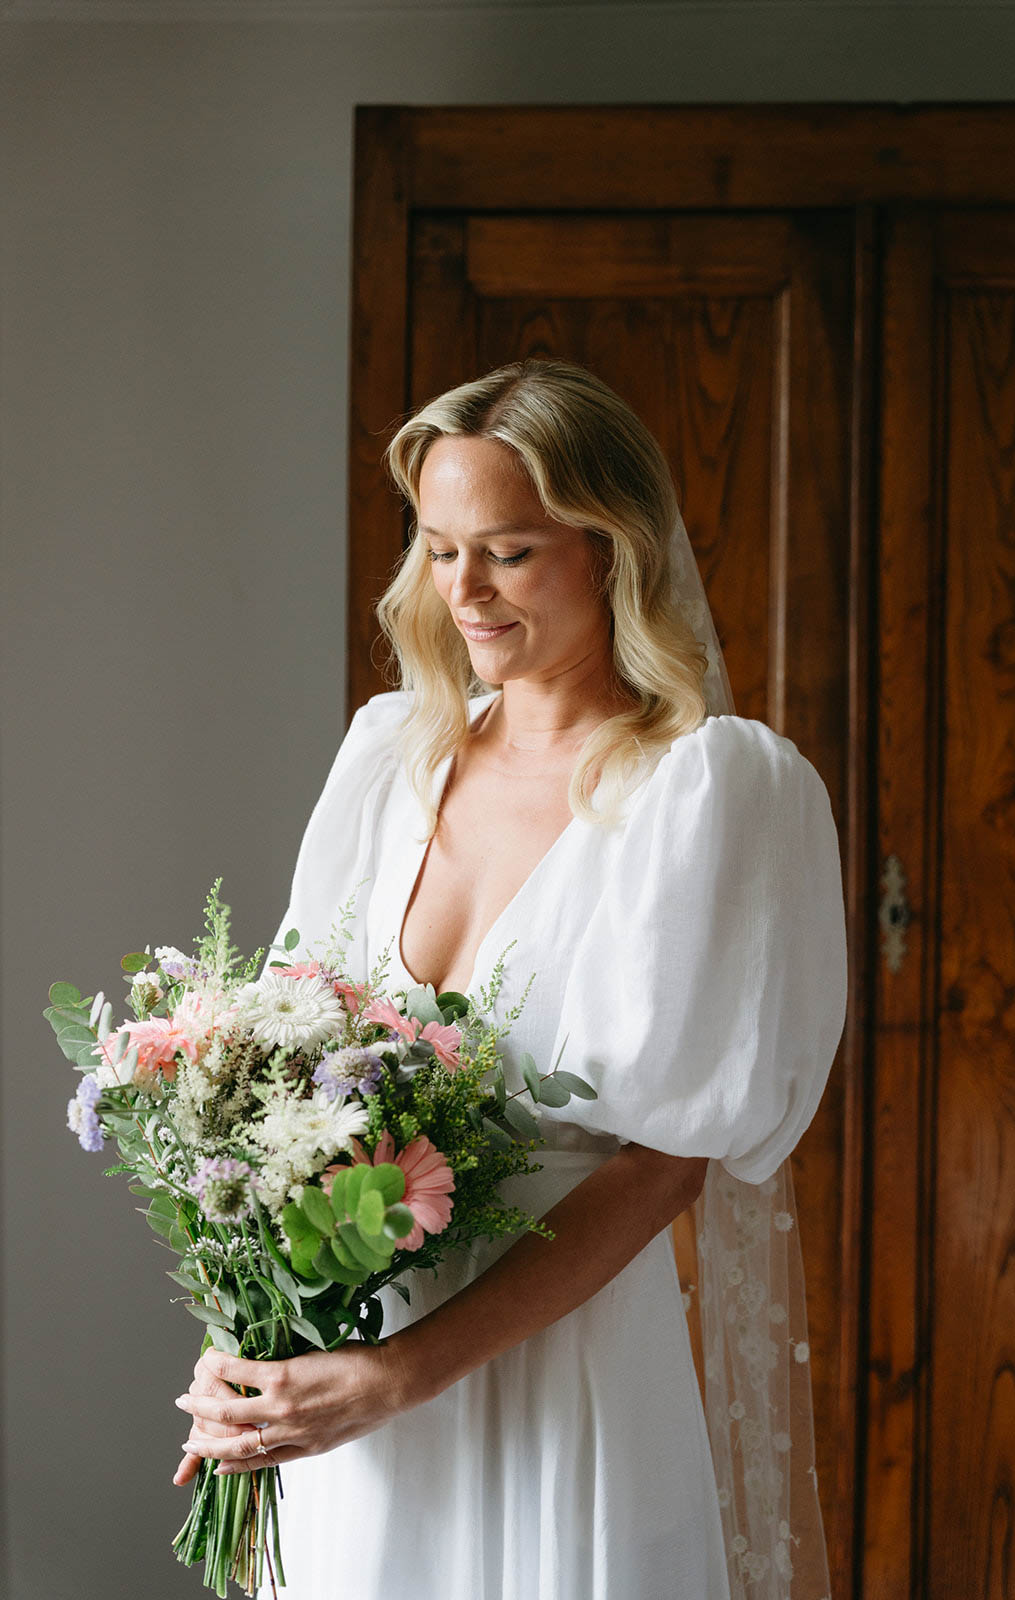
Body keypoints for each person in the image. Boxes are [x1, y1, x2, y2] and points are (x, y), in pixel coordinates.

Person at [172, 357, 847, 1600]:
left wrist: (403, 1374)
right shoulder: (389, 755)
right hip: (341, 1370)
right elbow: (279, 1089)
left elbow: (665, 1163)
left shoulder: (712, 792)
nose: (463, 591)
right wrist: (247, 1340)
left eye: (509, 552)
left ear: (611, 549)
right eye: (439, 550)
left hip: (555, 1369)